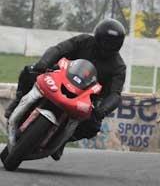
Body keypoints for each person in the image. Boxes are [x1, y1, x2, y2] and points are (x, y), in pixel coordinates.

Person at [4, 18, 127, 160]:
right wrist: (43, 63)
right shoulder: (83, 41)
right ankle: (18, 101)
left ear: (119, 45)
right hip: (61, 78)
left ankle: (63, 140)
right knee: (29, 72)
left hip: (87, 97)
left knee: (93, 125)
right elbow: (59, 49)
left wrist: (102, 110)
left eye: (112, 43)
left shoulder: (118, 66)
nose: (107, 46)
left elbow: (115, 94)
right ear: (97, 36)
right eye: (105, 41)